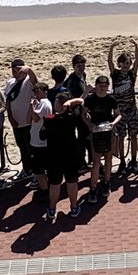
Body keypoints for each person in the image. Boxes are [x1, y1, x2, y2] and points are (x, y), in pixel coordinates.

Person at [43, 92, 86, 221]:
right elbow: (82, 101)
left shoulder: (49, 118)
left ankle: (51, 209)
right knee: (72, 181)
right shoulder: (73, 116)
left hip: (54, 155)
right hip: (71, 153)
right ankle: (73, 207)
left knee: (55, 183)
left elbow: (42, 135)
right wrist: (71, 103)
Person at [84, 76, 123, 201]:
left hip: (108, 131)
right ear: (96, 86)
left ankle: (106, 182)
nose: (103, 88)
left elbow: (118, 115)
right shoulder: (90, 99)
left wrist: (113, 124)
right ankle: (93, 188)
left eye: (105, 86)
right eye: (100, 85)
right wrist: (89, 124)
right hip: (96, 133)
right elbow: (83, 113)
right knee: (96, 162)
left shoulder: (111, 99)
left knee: (108, 158)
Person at [108, 39, 138, 173]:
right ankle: (122, 161)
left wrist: (136, 47)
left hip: (132, 110)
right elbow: (110, 63)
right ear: (120, 63)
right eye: (124, 63)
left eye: (128, 63)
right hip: (120, 112)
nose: (126, 66)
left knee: (134, 136)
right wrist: (111, 48)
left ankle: (133, 160)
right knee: (121, 137)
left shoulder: (131, 74)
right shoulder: (115, 75)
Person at [4, 59, 37, 181]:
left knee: (31, 147)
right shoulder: (10, 82)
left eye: (17, 69)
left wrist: (28, 70)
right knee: (22, 147)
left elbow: (35, 80)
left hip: (29, 122)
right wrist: (10, 117)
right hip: (16, 123)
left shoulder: (28, 81)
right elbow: (8, 101)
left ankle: (35, 171)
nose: (15, 72)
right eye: (13, 69)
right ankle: (26, 169)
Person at [27, 83, 53, 202]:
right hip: (38, 140)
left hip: (39, 142)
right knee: (40, 168)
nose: (35, 93)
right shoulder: (42, 103)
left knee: (38, 169)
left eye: (37, 91)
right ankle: (46, 188)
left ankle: (44, 191)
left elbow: (36, 118)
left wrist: (32, 105)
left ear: (44, 91)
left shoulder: (44, 103)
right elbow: (29, 119)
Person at [66, 55, 92, 162]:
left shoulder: (83, 75)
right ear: (73, 67)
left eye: (83, 66)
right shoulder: (72, 82)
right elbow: (77, 100)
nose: (81, 68)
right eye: (78, 66)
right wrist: (87, 91)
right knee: (82, 137)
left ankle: (89, 160)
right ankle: (81, 161)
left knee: (86, 136)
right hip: (75, 112)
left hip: (83, 111)